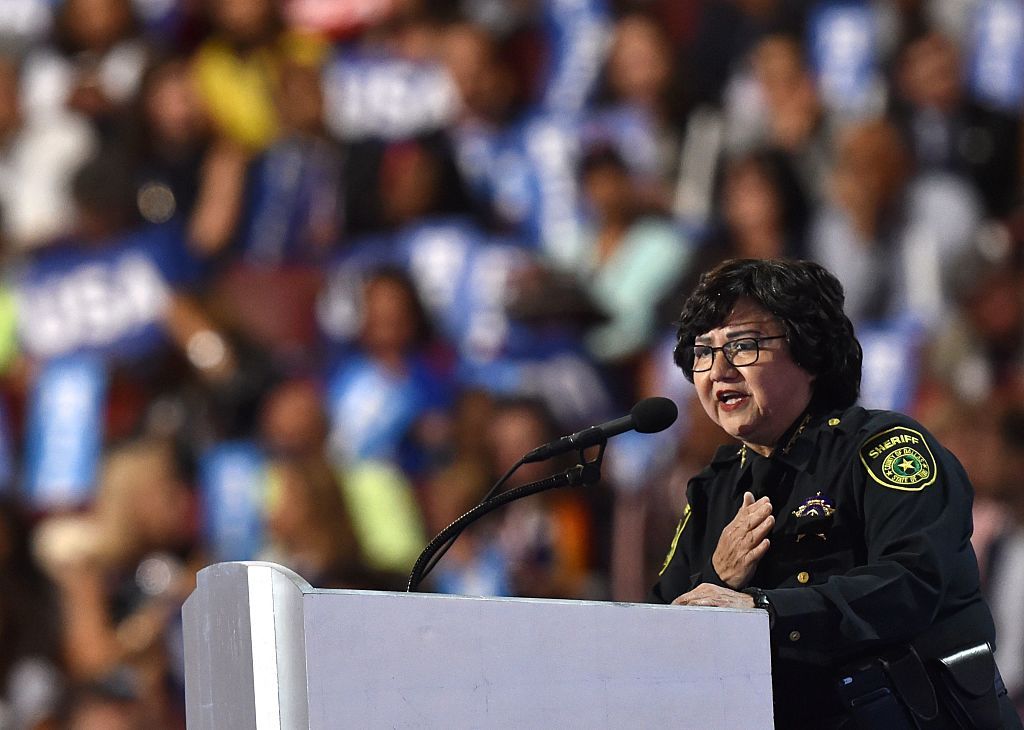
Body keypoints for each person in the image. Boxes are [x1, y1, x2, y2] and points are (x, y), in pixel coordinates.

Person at [652, 258, 1022, 728]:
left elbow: (913, 582)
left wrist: (766, 609)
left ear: (809, 351)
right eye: (702, 352)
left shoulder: (886, 448)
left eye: (743, 346)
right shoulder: (713, 489)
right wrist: (720, 579)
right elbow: (662, 631)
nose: (717, 370)